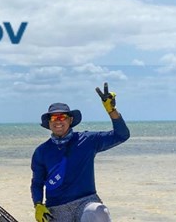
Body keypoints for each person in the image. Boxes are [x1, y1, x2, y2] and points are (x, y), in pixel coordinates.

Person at [30, 82, 130, 222]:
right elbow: (37, 183)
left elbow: (121, 135)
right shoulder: (41, 152)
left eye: (62, 117)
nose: (58, 121)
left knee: (99, 212)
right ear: (49, 123)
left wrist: (111, 110)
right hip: (56, 209)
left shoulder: (88, 141)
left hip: (86, 203)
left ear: (70, 120)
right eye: (54, 118)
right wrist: (38, 205)